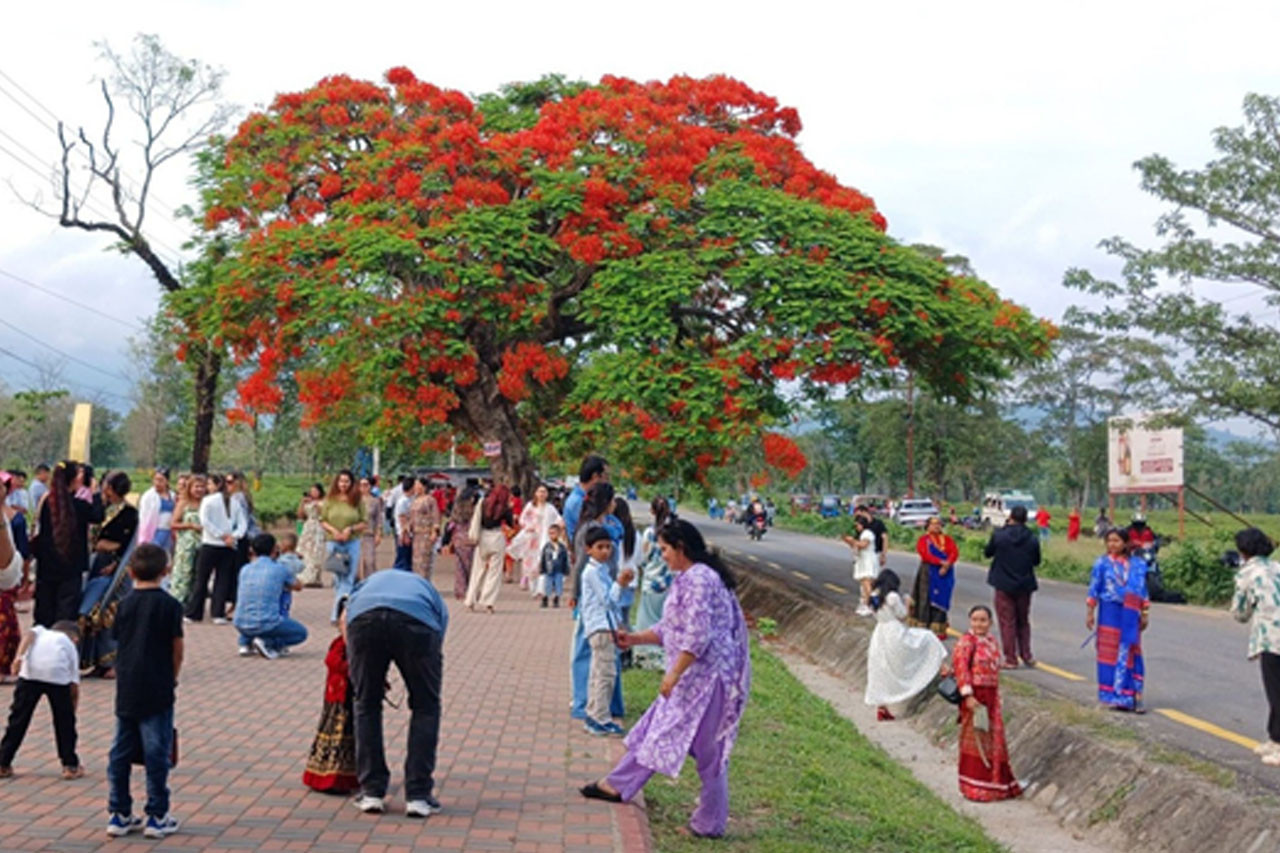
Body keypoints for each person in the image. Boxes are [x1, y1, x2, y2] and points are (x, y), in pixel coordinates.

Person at [580, 519, 751, 839]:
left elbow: (696, 638)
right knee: (653, 733)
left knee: (708, 753)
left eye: (663, 550)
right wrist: (633, 639)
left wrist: (673, 674)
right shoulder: (689, 577)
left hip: (706, 680)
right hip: (692, 679)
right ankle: (617, 785)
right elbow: (670, 629)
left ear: (680, 548)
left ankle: (709, 823)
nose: (662, 556)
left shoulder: (700, 579)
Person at [344, 568, 449, 817]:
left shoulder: (362, 588)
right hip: (418, 621)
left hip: (363, 621)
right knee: (426, 706)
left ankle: (371, 791)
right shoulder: (428, 590)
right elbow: (438, 634)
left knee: (366, 704)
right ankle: (418, 795)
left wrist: (364, 674)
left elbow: (346, 622)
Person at [106, 543, 183, 839]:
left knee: (120, 751)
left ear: (130, 571)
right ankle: (157, 814)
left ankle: (119, 811)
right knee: (156, 752)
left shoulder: (124, 605)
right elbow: (177, 648)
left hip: (127, 686)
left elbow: (118, 644)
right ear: (166, 571)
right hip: (158, 685)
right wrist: (173, 677)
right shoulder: (170, 605)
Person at [952, 604, 1021, 802]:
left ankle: (996, 784)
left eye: (983, 620)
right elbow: (961, 669)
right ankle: (975, 786)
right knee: (976, 742)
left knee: (995, 742)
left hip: (991, 698)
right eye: (975, 620)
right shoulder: (965, 643)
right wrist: (969, 696)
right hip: (975, 698)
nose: (979, 624)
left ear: (990, 623)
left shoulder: (991, 642)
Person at [0, 620, 83, 779]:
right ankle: (70, 765)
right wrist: (72, 710)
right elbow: (74, 686)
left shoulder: (41, 631)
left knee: (18, 719)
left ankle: (3, 762)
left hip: (30, 675)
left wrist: (19, 657)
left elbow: (28, 635)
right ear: (75, 639)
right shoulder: (70, 645)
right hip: (57, 677)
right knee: (64, 723)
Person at [864, 569, 948, 721]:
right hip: (895, 631)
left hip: (880, 633)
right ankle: (942, 666)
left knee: (882, 669)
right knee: (928, 637)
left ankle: (882, 707)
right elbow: (902, 616)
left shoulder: (873, 597)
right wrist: (908, 604)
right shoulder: (892, 597)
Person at [79, 471, 139, 677]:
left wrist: (115, 563)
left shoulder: (129, 513)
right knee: (92, 611)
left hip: (115, 569)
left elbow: (126, 544)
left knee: (108, 611)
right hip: (98, 563)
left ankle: (112, 661)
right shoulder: (101, 508)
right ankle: (96, 660)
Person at [1230, 527, 1280, 767]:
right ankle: (1274, 737)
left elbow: (1240, 613)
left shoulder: (1247, 573)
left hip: (1273, 636)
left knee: (1276, 691)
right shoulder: (1277, 567)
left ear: (1243, 551)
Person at [32, 461, 103, 627]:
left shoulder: (47, 504)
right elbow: (98, 516)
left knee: (45, 613)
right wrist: (96, 492)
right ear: (73, 480)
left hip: (47, 566)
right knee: (65, 614)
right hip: (71, 567)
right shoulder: (80, 506)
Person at [1086, 528, 1149, 712]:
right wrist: (1090, 611)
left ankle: (1134, 695)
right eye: (1109, 541)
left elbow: (1143, 590)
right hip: (1109, 612)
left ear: (1126, 543)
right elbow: (1094, 589)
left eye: (1116, 541)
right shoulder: (1102, 564)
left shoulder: (1137, 565)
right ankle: (1113, 695)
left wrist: (1145, 613)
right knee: (1109, 653)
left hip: (1130, 612)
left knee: (1131, 650)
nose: (1112, 545)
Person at [580, 527, 632, 736]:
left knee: (598, 672)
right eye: (600, 547)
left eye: (608, 547)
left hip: (604, 625)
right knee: (605, 674)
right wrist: (620, 583)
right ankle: (600, 718)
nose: (605, 551)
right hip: (600, 628)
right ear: (588, 550)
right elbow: (608, 600)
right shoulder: (592, 572)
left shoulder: (601, 570)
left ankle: (594, 714)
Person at [303, 596, 358, 793]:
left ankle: (349, 776)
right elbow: (333, 663)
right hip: (337, 700)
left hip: (350, 698)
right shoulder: (339, 645)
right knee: (335, 737)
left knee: (352, 737)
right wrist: (356, 669)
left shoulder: (356, 646)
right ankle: (329, 777)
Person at [984, 505, 1041, 669]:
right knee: (1023, 620)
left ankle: (1010, 658)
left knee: (1007, 621)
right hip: (1025, 583)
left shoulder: (1000, 535)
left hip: (1003, 582)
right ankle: (1027, 655)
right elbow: (1037, 561)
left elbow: (988, 553)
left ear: (1010, 517)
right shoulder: (1031, 537)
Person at [234, 533, 307, 660]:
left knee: (251, 610)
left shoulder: (245, 569)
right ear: (274, 550)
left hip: (240, 622)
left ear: (252, 550)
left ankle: (245, 643)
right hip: (266, 622)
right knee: (301, 633)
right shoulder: (279, 569)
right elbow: (298, 586)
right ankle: (268, 643)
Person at [186, 474, 242, 624]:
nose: (207, 487)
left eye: (209, 484)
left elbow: (205, 521)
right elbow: (242, 524)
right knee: (222, 580)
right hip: (228, 546)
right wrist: (233, 537)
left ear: (216, 485)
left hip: (210, 544)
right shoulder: (234, 502)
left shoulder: (208, 501)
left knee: (202, 580)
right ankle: (218, 613)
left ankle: (194, 613)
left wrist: (220, 535)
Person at [633, 496, 674, 670]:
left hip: (651, 581)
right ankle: (664, 656)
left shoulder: (650, 533)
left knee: (647, 619)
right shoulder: (672, 532)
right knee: (664, 619)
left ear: (651, 511)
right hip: (668, 582)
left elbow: (643, 558)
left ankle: (645, 656)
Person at [322, 470, 366, 623]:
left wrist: (350, 529)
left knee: (348, 579)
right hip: (333, 542)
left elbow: (364, 522)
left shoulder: (357, 500)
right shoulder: (330, 500)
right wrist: (334, 531)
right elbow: (323, 520)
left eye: (347, 481)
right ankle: (343, 609)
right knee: (337, 579)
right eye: (341, 481)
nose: (343, 485)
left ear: (352, 483)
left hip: (352, 542)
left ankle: (337, 615)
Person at [465, 484, 513, 613]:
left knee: (478, 570)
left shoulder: (483, 503)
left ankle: (470, 600)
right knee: (495, 572)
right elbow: (510, 523)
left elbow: (477, 520)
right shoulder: (505, 508)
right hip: (497, 537)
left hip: (483, 538)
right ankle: (488, 603)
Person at [910, 516, 959, 640]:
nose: (936, 526)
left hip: (945, 573)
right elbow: (925, 554)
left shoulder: (948, 539)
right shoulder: (924, 540)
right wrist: (940, 562)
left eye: (938, 524)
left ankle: (938, 628)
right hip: (929, 571)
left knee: (941, 599)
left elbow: (954, 552)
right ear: (928, 526)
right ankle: (923, 625)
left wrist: (947, 564)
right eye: (933, 524)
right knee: (926, 597)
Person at [512, 484, 562, 594]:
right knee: (531, 563)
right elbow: (522, 519)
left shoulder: (550, 508)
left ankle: (541, 589)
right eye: (540, 491)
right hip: (532, 539)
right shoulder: (530, 506)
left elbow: (558, 519)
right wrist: (528, 527)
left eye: (544, 491)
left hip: (545, 538)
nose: (542, 494)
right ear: (535, 493)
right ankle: (532, 586)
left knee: (543, 562)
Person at [168, 474, 205, 608]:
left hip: (202, 543)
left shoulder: (206, 503)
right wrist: (190, 526)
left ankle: (192, 603)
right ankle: (178, 601)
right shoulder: (183, 503)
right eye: (196, 487)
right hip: (186, 544)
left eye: (202, 487)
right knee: (184, 572)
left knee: (197, 573)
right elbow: (173, 523)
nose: (199, 490)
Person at [444, 482, 479, 601]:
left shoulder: (457, 505)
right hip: (471, 538)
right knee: (472, 566)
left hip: (458, 538)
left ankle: (460, 590)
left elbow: (452, 521)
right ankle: (471, 590)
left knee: (459, 566)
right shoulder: (475, 507)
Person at [564, 455, 608, 546]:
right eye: (606, 476)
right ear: (595, 476)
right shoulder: (577, 502)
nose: (607, 481)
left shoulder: (586, 498)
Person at [841, 515, 878, 616]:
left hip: (868, 560)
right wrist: (847, 540)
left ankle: (870, 605)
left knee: (867, 583)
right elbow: (855, 545)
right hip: (862, 560)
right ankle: (865, 603)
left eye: (857, 525)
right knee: (863, 584)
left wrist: (852, 540)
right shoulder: (860, 534)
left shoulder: (868, 533)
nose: (856, 527)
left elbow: (863, 545)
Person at [137, 469, 177, 553]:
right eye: (156, 480)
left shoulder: (172, 495)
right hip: (155, 530)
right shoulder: (148, 496)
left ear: (167, 481)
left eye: (161, 480)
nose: (158, 483)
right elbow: (144, 516)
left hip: (168, 531)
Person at [410, 477, 441, 580]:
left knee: (425, 561)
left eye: (417, 485)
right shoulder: (415, 500)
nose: (415, 487)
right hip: (416, 535)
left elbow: (436, 517)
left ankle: (424, 582)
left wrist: (434, 532)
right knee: (416, 561)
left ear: (423, 487)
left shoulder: (430, 500)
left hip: (426, 534)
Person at [296, 484, 327, 587]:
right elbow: (300, 516)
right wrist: (302, 503)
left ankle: (315, 577)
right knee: (306, 552)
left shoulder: (324, 502)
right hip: (308, 527)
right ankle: (306, 576)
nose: (313, 493)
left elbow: (324, 514)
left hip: (318, 526)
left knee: (316, 552)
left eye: (315, 491)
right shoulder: (307, 502)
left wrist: (315, 505)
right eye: (311, 491)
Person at [358, 477, 383, 582]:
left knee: (369, 561)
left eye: (366, 485)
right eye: (361, 485)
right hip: (355, 535)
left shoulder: (375, 501)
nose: (363, 488)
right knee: (356, 562)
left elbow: (378, 518)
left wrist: (378, 533)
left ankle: (371, 582)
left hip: (369, 534)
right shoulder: (354, 501)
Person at [539, 522, 570, 608]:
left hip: (559, 569)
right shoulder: (547, 547)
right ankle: (545, 598)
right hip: (549, 569)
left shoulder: (562, 547)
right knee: (547, 584)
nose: (552, 535)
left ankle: (556, 598)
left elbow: (565, 558)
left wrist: (566, 569)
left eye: (554, 533)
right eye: (550, 533)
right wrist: (542, 568)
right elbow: (543, 557)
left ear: (559, 534)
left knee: (558, 584)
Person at [392, 475, 415, 572]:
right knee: (402, 559)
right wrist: (405, 535)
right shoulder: (403, 501)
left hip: (407, 533)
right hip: (403, 534)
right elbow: (402, 519)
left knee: (406, 559)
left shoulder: (410, 499)